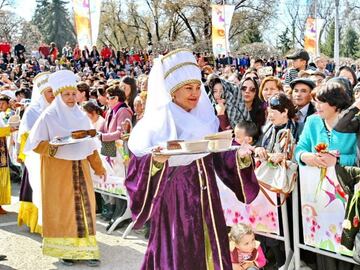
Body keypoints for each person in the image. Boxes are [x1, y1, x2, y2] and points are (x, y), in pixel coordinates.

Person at [125, 48, 260, 270]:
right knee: (179, 252)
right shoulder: (157, 124)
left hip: (207, 198)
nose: (195, 93)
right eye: (188, 88)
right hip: (174, 201)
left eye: (198, 87)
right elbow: (138, 164)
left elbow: (218, 151)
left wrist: (240, 156)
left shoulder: (205, 118)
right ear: (173, 92)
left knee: (211, 248)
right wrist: (156, 161)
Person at [24, 70, 106, 267]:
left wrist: (99, 167)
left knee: (86, 208)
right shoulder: (49, 116)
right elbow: (35, 143)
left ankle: (88, 251)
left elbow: (90, 145)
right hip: (57, 170)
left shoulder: (81, 116)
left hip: (80, 168)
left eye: (73, 94)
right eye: (66, 94)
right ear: (59, 96)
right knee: (64, 209)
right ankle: (65, 251)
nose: (71, 98)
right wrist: (55, 148)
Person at [295, 82, 356, 270]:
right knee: (324, 241)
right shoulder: (313, 121)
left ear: (336, 103)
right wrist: (306, 157)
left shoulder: (353, 122)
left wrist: (337, 161)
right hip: (318, 196)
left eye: (322, 102)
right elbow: (299, 149)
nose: (317, 106)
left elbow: (357, 156)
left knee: (348, 242)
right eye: (316, 101)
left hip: (347, 194)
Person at [17, 72, 54, 233]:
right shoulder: (33, 110)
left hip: (54, 155)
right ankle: (38, 223)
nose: (53, 95)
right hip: (37, 156)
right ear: (41, 93)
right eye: (49, 92)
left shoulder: (57, 108)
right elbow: (28, 135)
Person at [97, 85, 133, 222]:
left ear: (116, 98)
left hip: (120, 150)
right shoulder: (111, 110)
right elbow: (103, 128)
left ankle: (122, 211)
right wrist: (98, 133)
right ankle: (115, 208)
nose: (106, 100)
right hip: (110, 148)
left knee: (120, 178)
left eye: (108, 98)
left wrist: (102, 137)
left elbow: (120, 133)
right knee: (113, 177)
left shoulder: (123, 110)